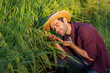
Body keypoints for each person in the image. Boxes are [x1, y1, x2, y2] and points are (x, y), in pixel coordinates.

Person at [43, 10, 110, 73]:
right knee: (58, 59)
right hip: (84, 65)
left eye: (57, 25)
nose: (56, 30)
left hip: (98, 66)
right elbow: (63, 56)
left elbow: (91, 57)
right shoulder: (66, 36)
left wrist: (72, 46)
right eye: (54, 29)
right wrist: (54, 42)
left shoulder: (84, 29)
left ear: (64, 20)